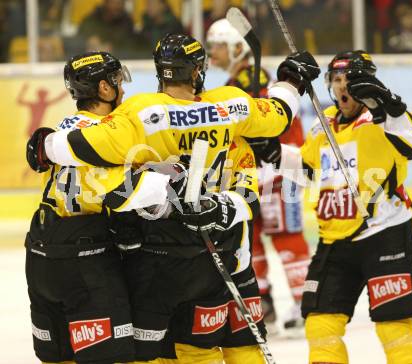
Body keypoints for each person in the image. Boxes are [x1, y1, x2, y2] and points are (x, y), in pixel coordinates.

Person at [28, 33, 320, 362]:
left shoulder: (137, 113)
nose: (122, 88)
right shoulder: (231, 105)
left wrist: (44, 146)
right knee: (202, 349)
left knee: (151, 352)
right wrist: (291, 81)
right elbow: (279, 114)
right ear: (197, 71)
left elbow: (82, 149)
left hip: (132, 252)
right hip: (212, 248)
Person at [277, 50, 412, 364]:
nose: (341, 86)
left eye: (349, 79)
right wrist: (270, 150)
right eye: (336, 79)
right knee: (320, 324)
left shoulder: (385, 119)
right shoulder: (323, 127)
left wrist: (383, 101)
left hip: (385, 234)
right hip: (335, 241)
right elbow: (304, 169)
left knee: (393, 327)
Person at [24, 51, 167, 364]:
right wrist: (173, 183)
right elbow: (122, 192)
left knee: (59, 358)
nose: (123, 89)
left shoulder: (63, 128)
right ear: (104, 89)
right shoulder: (106, 135)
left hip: (40, 255)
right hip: (85, 263)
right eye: (118, 82)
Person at [207, 18, 311, 332]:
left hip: (280, 171)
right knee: (250, 238)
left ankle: (305, 303)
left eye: (218, 46)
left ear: (239, 48)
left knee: (286, 238)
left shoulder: (255, 80)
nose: (213, 52)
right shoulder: (235, 84)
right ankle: (263, 300)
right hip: (253, 174)